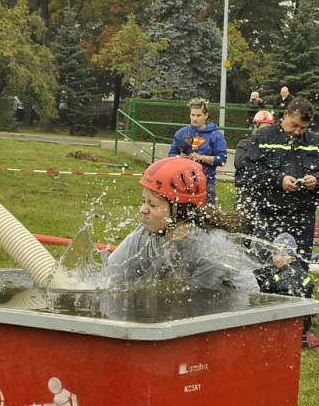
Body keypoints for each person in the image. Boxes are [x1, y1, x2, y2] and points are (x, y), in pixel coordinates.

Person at [102, 157, 258, 292]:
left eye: (152, 204)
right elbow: (108, 277)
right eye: (143, 201)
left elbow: (192, 304)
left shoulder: (210, 250)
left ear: (179, 210)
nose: (143, 210)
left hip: (239, 311)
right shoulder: (146, 233)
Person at [244, 96, 319, 268]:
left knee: (298, 267)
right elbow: (250, 171)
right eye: (295, 125)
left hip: (302, 216)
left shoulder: (315, 141)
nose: (298, 132)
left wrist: (316, 179)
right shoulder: (264, 137)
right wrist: (279, 180)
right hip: (270, 214)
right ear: (286, 114)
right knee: (264, 266)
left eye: (303, 128)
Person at [255, 232, 319, 349]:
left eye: (277, 254)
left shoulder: (282, 277)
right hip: (302, 322)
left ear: (291, 256)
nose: (274, 257)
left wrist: (266, 285)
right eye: (273, 253)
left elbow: (266, 294)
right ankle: (304, 333)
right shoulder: (302, 274)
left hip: (285, 324)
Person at [168, 97, 227, 205]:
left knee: (206, 218)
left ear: (206, 115)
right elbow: (171, 155)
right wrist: (178, 159)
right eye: (192, 115)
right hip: (182, 181)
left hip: (206, 182)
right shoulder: (181, 133)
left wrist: (201, 157)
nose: (195, 119)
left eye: (198, 115)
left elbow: (222, 160)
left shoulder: (216, 135)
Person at [234, 109, 274, 217]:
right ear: (255, 127)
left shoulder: (274, 148)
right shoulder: (245, 144)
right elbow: (239, 163)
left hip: (267, 193)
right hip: (246, 191)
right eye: (263, 129)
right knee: (243, 226)